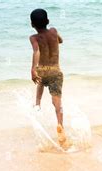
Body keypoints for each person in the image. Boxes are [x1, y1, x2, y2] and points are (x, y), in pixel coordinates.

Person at [29, 9, 68, 149]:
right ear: (48, 21)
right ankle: (60, 124)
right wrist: (56, 38)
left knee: (40, 81)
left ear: (32, 24)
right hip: (55, 72)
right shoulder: (54, 31)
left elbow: (36, 51)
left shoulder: (33, 38)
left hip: (43, 71)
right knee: (57, 101)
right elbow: (61, 40)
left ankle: (37, 104)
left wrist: (33, 69)